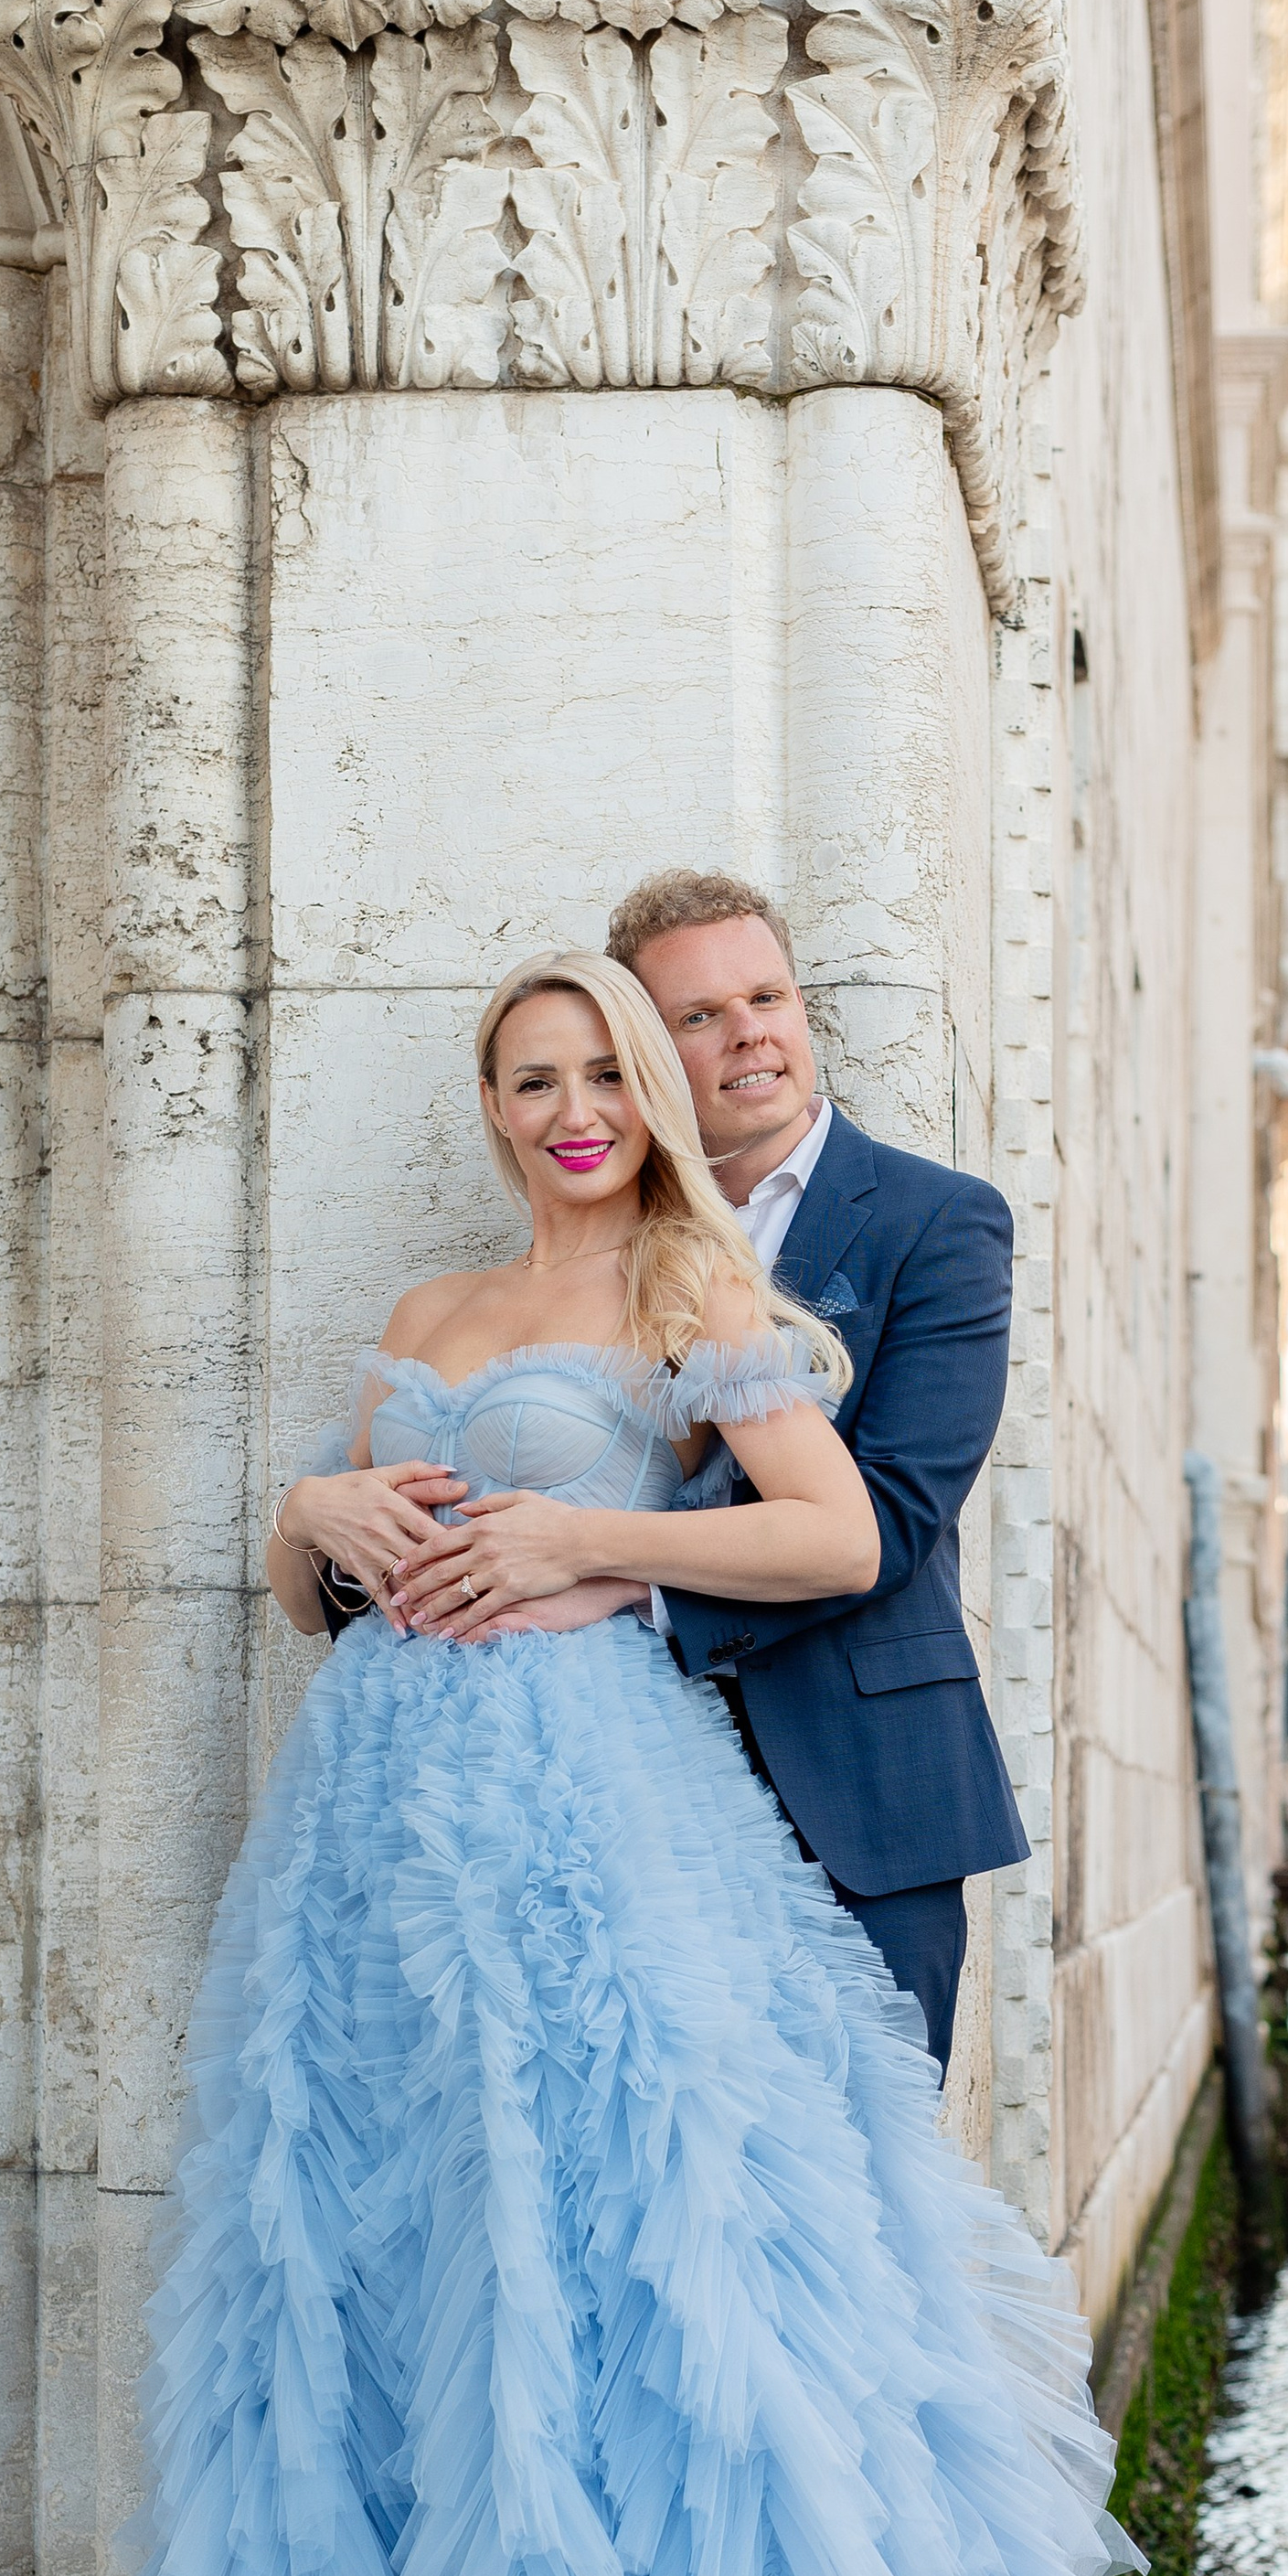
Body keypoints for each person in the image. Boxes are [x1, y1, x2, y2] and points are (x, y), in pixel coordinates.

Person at [24, 946, 1245, 2576]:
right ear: (488, 1104)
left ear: (654, 1094)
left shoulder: (695, 1275)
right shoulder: (434, 1288)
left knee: (612, 2248)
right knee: (387, 2250)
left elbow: (835, 1533)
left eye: (605, 1072)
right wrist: (320, 1509)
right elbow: (322, 1582)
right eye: (532, 1077)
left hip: (593, 1830)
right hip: (376, 1839)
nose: (572, 1107)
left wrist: (595, 1537)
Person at [393, 869, 1026, 2077]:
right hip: (617, 1812)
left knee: (852, 2213)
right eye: (698, 1016)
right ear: (643, 1053)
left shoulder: (937, 1224)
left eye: (767, 997)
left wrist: (612, 1568)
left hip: (857, 1795)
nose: (748, 1035)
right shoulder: (577, 1267)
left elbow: (884, 1525)